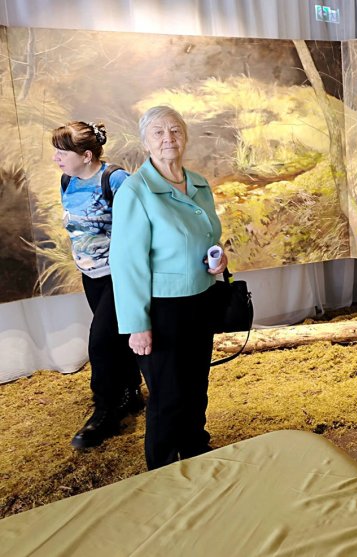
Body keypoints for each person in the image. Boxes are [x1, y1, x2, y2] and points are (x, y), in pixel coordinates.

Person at [110, 106, 228, 470]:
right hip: (161, 309)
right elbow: (127, 263)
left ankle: (195, 448)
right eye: (158, 132)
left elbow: (207, 236)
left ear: (185, 136)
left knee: (196, 384)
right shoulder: (135, 191)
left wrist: (218, 258)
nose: (168, 138)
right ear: (145, 142)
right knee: (168, 395)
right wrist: (136, 325)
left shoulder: (199, 184)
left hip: (200, 301)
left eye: (175, 130)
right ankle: (162, 469)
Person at [51, 121, 144, 450]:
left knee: (100, 343)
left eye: (62, 153)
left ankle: (106, 411)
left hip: (119, 276)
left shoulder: (115, 179)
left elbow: (138, 226)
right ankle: (130, 392)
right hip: (91, 276)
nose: (56, 159)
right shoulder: (68, 180)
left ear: (86, 155)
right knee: (117, 338)